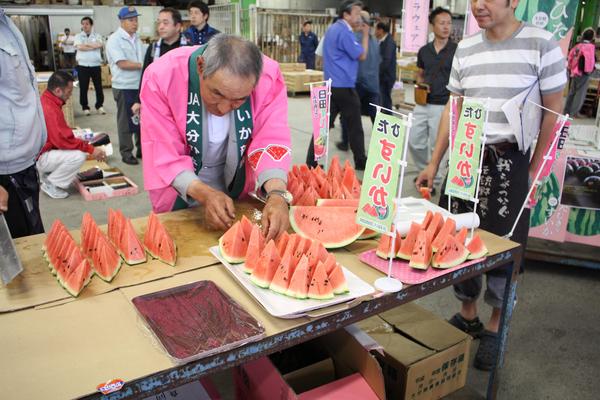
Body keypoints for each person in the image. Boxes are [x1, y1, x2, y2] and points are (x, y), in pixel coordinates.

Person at [416, 0, 566, 371]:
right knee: (459, 242)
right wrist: (434, 163)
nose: (477, 6)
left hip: (511, 160)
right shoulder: (465, 48)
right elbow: (455, 109)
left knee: (504, 251)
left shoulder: (541, 44)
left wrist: (533, 170)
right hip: (466, 159)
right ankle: (468, 314)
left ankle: (496, 326)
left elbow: (554, 112)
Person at [140, 34, 291, 240]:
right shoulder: (162, 75)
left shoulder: (268, 77)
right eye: (217, 94)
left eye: (239, 100)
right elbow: (161, 148)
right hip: (179, 187)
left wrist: (277, 194)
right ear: (201, 67)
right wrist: (204, 193)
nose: (223, 108)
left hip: (236, 184)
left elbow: (271, 138)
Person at [0, 8, 46, 238]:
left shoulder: (6, 23)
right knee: (17, 255)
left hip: (23, 166)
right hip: (4, 177)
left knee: (32, 242)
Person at [307, 0, 369, 169]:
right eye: (356, 13)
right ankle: (361, 161)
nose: (359, 17)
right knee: (355, 125)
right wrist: (364, 35)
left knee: (323, 126)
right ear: (346, 15)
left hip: (331, 84)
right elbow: (361, 55)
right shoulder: (345, 32)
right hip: (344, 86)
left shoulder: (333, 29)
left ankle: (311, 161)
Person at [37, 72, 106, 199]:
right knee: (78, 155)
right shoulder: (50, 109)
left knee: (76, 144)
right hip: (39, 157)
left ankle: (48, 175)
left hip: (39, 152)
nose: (69, 96)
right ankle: (52, 184)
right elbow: (63, 140)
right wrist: (91, 149)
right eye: (68, 92)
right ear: (58, 90)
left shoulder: (47, 100)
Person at [410, 7, 457, 193]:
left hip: (444, 105)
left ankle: (433, 181)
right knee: (414, 140)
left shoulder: (456, 50)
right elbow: (420, 74)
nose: (446, 27)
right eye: (442, 23)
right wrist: (420, 85)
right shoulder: (424, 51)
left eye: (449, 23)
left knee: (435, 144)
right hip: (423, 103)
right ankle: (426, 169)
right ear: (432, 25)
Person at [105, 6, 145, 165]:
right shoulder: (114, 40)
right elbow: (122, 63)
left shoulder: (138, 38)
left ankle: (141, 148)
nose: (135, 23)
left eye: (136, 20)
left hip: (139, 85)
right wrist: (144, 65)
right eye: (131, 20)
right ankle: (126, 152)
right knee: (126, 121)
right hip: (124, 86)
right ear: (122, 21)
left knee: (141, 118)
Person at [336, 11, 380, 152]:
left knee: (347, 115)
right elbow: (378, 61)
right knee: (376, 117)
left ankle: (345, 142)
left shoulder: (354, 38)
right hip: (373, 83)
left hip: (357, 83)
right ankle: (382, 144)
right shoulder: (374, 41)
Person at [141, 8, 187, 80]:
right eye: (159, 23)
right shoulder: (153, 48)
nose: (161, 27)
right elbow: (145, 76)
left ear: (177, 26)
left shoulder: (188, 48)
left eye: (165, 23)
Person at [74, 17, 106, 116]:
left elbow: (99, 45)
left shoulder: (97, 35)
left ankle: (99, 106)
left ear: (91, 25)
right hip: (83, 66)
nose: (85, 26)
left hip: (95, 65)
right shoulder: (78, 36)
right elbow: (79, 47)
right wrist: (92, 45)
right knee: (83, 87)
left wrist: (86, 45)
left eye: (87, 24)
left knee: (98, 87)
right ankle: (85, 107)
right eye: (83, 24)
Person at [564, 28, 597, 117]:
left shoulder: (577, 46)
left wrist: (571, 68)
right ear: (592, 37)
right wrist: (589, 71)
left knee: (572, 92)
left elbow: (570, 56)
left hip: (574, 72)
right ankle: (574, 113)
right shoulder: (590, 47)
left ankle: (566, 111)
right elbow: (590, 60)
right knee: (580, 94)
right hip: (583, 73)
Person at [375, 21, 397, 110]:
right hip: (383, 76)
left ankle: (387, 119)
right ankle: (384, 119)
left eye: (376, 29)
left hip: (386, 76)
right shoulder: (382, 40)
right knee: (383, 100)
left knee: (385, 100)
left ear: (381, 30)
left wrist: (377, 73)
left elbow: (386, 61)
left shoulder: (389, 42)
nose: (375, 32)